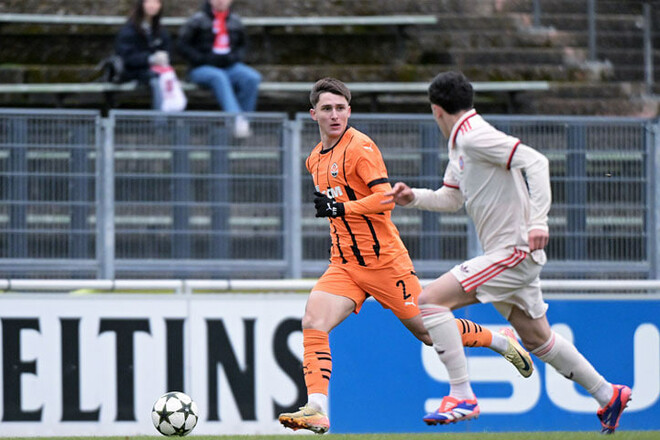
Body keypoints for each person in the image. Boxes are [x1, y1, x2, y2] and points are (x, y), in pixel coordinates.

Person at [277, 77, 535, 435]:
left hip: (385, 264)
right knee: (312, 322)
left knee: (427, 333)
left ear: (349, 111)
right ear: (313, 114)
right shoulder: (313, 160)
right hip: (345, 265)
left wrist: (340, 207)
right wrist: (339, 211)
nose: (335, 115)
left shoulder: (360, 148)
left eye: (340, 108)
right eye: (327, 109)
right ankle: (317, 408)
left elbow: (384, 200)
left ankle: (499, 338)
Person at [384, 71, 632, 433]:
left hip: (513, 251)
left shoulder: (474, 137)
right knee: (537, 338)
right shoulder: (462, 143)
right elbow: (452, 198)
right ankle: (608, 394)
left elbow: (536, 162)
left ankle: (461, 394)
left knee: (431, 300)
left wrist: (539, 222)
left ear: (436, 110)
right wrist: (413, 197)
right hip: (508, 255)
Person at [177, 0, 261, 138]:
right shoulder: (197, 20)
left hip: (229, 65)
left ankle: (244, 121)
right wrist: (202, 58)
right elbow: (182, 45)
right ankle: (236, 120)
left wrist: (232, 57)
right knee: (219, 77)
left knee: (252, 78)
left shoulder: (235, 21)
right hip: (201, 67)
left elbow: (243, 46)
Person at [115, 0, 172, 110]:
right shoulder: (129, 29)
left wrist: (163, 58)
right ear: (141, 4)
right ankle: (160, 124)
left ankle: (174, 119)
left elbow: (167, 50)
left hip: (156, 70)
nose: (152, 5)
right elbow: (126, 57)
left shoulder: (160, 29)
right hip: (133, 71)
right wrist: (150, 59)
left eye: (156, 2)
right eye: (148, 2)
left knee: (169, 79)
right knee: (158, 81)